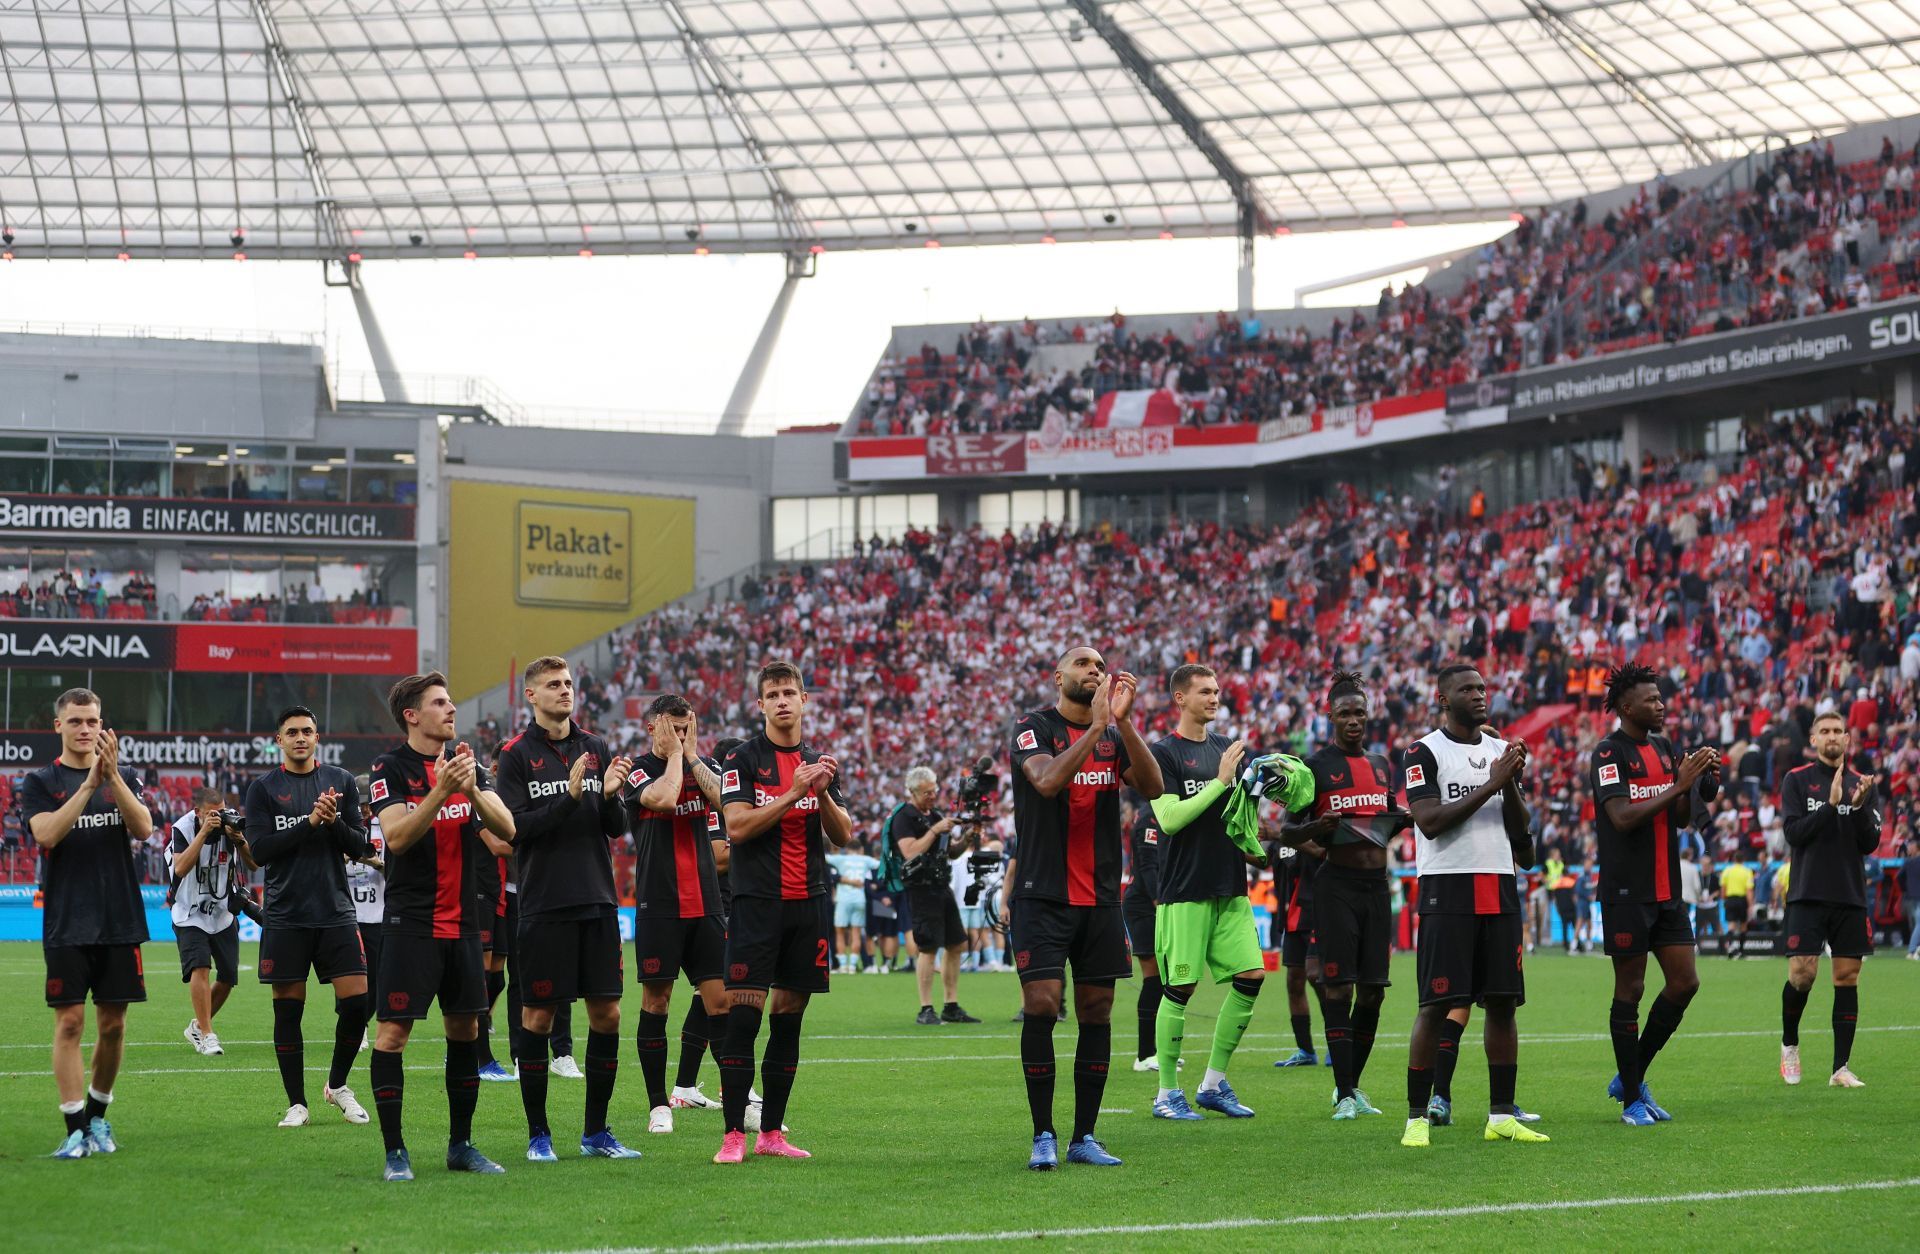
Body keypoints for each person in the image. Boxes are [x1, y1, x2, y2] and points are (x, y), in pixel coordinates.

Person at [1008, 647, 1163, 1170]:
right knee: (1044, 1005)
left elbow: (1154, 787)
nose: (1094, 672)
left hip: (1099, 897)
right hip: (1042, 894)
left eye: (1100, 666)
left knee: (1097, 1011)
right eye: (1083, 664)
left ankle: (1085, 1136)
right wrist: (1097, 730)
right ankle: (1043, 1134)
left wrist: (1123, 725)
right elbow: (1048, 781)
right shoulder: (1032, 727)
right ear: (1058, 676)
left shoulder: (1113, 735)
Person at [366, 672, 517, 1182]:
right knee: (392, 1035)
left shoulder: (465, 766)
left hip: (465, 922)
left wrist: (470, 789)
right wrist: (440, 791)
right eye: (440, 702)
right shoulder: (389, 768)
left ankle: (461, 1145)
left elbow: (508, 830)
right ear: (412, 715)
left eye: (451, 700)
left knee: (466, 1030)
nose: (452, 709)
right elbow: (397, 838)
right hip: (412, 924)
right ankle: (394, 1153)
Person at [493, 656, 643, 1161]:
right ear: (531, 695)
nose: (564, 691)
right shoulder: (515, 755)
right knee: (536, 1019)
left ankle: (596, 1132)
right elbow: (515, 828)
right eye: (553, 685)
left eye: (568, 683)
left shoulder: (595, 746)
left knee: (607, 1013)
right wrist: (571, 796)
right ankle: (539, 1135)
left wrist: (611, 796)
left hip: (598, 900)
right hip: (544, 903)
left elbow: (614, 827)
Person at [711, 660, 853, 1164]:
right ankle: (733, 1134)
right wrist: (794, 793)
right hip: (757, 906)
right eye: (773, 694)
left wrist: (821, 795)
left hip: (807, 907)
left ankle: (771, 1132)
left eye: (790, 692)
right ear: (761, 705)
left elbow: (843, 833)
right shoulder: (743, 761)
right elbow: (739, 828)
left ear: (804, 700)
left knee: (789, 1019)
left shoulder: (818, 761)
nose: (783, 701)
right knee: (743, 1019)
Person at [1400, 664, 1545, 1148]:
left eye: (1483, 687)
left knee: (1503, 1004)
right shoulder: (1424, 752)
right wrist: (1493, 782)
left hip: (1500, 887)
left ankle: (1501, 1114)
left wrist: (1509, 782)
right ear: (1443, 699)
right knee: (1437, 1004)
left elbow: (1524, 847)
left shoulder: (1500, 752)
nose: (1479, 695)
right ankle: (1418, 1117)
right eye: (1467, 689)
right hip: (1448, 888)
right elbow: (1429, 822)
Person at [22, 689, 154, 1159]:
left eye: (93, 721)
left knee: (114, 1026)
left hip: (120, 917)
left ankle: (98, 1119)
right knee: (71, 1023)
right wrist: (86, 786)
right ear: (57, 726)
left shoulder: (127, 776)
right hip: (66, 920)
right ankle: (75, 1126)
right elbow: (46, 834)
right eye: (75, 721)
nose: (85, 729)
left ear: (103, 725)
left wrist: (112, 778)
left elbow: (143, 829)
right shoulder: (39, 782)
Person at [1590, 664, 1717, 1126]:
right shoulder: (1608, 753)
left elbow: (1680, 817)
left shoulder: (1664, 748)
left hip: (1668, 891)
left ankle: (1632, 1075)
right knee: (1632, 988)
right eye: (1652, 699)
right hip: (1627, 891)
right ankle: (1631, 1102)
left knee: (1685, 982)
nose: (1661, 705)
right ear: (1627, 707)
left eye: (1662, 698)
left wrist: (1700, 783)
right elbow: (1622, 817)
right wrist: (1678, 785)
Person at [245, 705, 375, 1130]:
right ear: (278, 740)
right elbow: (260, 852)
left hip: (335, 910)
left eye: (307, 731)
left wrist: (333, 823)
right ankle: (297, 1103)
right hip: (285, 915)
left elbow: (359, 845)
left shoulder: (339, 782)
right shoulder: (263, 788)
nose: (300, 737)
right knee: (288, 1013)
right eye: (292, 732)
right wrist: (310, 823)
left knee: (358, 1003)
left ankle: (337, 1085)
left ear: (317, 738)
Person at [1289, 671, 1411, 1120]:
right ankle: (1343, 1092)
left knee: (1374, 993)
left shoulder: (1382, 764)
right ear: (1331, 716)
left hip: (1377, 886)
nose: (1353, 719)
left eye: (1359, 711)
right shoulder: (1315, 767)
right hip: (1336, 884)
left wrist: (1402, 819)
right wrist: (1316, 834)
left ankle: (1352, 1086)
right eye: (1345, 713)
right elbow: (1288, 830)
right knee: (1338, 987)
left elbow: (1388, 815)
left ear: (1369, 713)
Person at [1145, 664, 1264, 1121]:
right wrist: (1220, 781)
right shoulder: (1162, 754)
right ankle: (1165, 1093)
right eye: (1204, 691)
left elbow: (1237, 817)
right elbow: (1170, 819)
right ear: (1180, 698)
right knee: (1180, 987)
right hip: (1185, 888)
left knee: (1252, 976)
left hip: (1230, 885)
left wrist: (1262, 789)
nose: (1215, 698)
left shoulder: (1226, 749)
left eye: (1217, 691)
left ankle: (1213, 1083)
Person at [624, 693, 731, 1135]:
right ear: (653, 728)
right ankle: (657, 1105)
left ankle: (738, 1101)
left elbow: (727, 804)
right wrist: (673, 757)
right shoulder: (635, 771)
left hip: (707, 903)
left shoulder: (705, 767)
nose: (682, 735)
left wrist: (689, 755)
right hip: (659, 905)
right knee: (657, 1001)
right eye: (673, 727)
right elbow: (666, 800)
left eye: (688, 728)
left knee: (721, 1002)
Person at [1778, 715, 1882, 1088]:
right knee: (1802, 975)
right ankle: (1789, 1043)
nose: (1832, 737)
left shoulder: (1864, 785)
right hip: (1807, 892)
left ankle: (1840, 1068)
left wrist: (1854, 808)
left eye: (1838, 731)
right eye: (1825, 731)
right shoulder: (1796, 780)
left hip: (1849, 894)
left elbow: (1870, 843)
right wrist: (1829, 806)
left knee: (1846, 977)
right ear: (1813, 739)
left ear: (1848, 738)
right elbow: (1793, 833)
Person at [889, 766, 982, 1026]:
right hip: (921, 887)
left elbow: (950, 852)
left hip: (942, 885)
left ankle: (951, 1005)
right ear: (913, 792)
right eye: (927, 792)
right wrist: (935, 830)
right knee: (928, 947)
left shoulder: (935, 814)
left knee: (956, 944)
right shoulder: (904, 817)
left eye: (935, 790)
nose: (933, 795)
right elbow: (910, 852)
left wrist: (966, 838)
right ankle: (925, 1008)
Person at [168, 787, 256, 1056]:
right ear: (198, 813)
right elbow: (180, 868)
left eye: (221, 811)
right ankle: (207, 1034)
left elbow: (253, 864)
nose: (218, 818)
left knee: (228, 976)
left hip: (221, 912)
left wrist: (239, 839)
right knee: (201, 968)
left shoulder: (230, 826)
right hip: (189, 912)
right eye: (211, 814)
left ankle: (197, 1026)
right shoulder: (183, 828)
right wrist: (204, 832)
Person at [1270, 837, 1326, 1068]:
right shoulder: (1281, 839)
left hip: (1318, 914)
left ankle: (1337, 1044)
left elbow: (1323, 853)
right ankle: (1306, 1050)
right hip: (1292, 920)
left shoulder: (1314, 827)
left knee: (1319, 979)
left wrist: (1281, 833)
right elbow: (1267, 863)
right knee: (1294, 982)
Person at [1122, 797, 1164, 1072]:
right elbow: (1147, 865)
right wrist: (1159, 901)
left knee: (1165, 978)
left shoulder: (1162, 812)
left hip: (1156, 901)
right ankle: (1144, 1055)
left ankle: (1156, 1050)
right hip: (1143, 904)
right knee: (1154, 977)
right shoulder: (1150, 816)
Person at [346, 777, 386, 1047]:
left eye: (367, 804)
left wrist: (376, 862)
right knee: (349, 977)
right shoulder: (340, 829)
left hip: (378, 913)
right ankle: (354, 1026)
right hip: (347, 915)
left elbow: (401, 869)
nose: (364, 810)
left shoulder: (385, 828)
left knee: (377, 980)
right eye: (359, 804)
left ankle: (360, 1022)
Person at [826, 838, 876, 976]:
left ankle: (842, 966)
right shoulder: (866, 860)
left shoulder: (840, 859)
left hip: (843, 900)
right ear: (860, 849)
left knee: (840, 933)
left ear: (847, 849)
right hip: (859, 899)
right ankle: (853, 966)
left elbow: (824, 858)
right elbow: (880, 864)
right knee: (856, 933)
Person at [1718, 856, 1754, 956]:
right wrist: (1750, 905)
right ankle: (1741, 950)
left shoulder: (1727, 871)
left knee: (1731, 926)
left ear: (1734, 860)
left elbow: (1723, 888)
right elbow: (1749, 890)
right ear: (1743, 860)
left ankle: (1730, 948)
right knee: (1743, 925)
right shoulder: (1747, 871)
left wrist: (1725, 900)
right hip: (1742, 900)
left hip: (1730, 899)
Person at [1903, 838, 1920, 959]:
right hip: (1917, 897)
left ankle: (1914, 949)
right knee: (1918, 924)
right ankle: (1912, 949)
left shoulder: (1908, 862)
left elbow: (1899, 877)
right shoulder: (1910, 862)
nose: (1908, 849)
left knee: (1915, 924)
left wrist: (1906, 888)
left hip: (1910, 896)